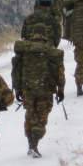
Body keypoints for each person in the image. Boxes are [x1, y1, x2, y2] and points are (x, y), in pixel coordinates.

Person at [12, 24, 65, 158]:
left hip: (27, 89)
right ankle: (34, 144)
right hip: (45, 89)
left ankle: (30, 143)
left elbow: (16, 71)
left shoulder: (24, 49)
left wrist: (17, 89)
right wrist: (61, 90)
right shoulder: (51, 50)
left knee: (30, 115)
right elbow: (60, 72)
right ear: (45, 34)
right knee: (41, 116)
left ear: (33, 33)